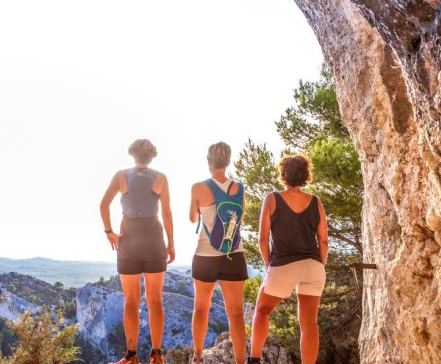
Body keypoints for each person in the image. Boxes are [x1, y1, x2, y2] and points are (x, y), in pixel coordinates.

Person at [100, 139, 176, 364]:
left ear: (132, 154)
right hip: (153, 239)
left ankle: (131, 356)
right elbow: (167, 213)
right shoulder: (160, 178)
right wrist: (171, 243)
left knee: (131, 301)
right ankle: (157, 354)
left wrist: (109, 232)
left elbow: (104, 205)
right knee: (155, 300)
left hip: (129, 239)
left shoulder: (121, 176)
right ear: (152, 156)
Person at [248, 155, 328, 364]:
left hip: (283, 265)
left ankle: (254, 360)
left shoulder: (272, 199)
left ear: (283, 174)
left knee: (262, 310)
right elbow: (323, 240)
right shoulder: (316, 202)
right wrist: (320, 265)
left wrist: (269, 266)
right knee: (309, 324)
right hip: (313, 266)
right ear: (305, 175)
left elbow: (263, 238)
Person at [189, 142, 248, 364]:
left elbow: (192, 219)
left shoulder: (199, 187)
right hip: (234, 254)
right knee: (236, 313)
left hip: (205, 255)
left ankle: (197, 356)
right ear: (228, 161)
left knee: (201, 308)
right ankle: (241, 361)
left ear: (209, 161)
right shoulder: (239, 188)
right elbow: (240, 219)